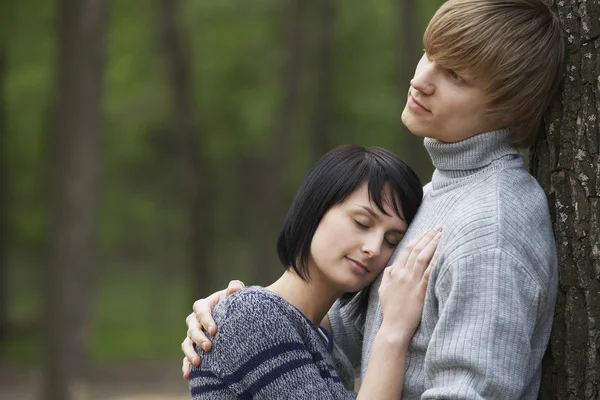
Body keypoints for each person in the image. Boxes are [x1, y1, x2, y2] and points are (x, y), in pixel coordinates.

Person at [183, 0, 565, 398]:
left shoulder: (492, 229)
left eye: (454, 75)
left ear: (507, 107)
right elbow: (341, 335)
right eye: (428, 55)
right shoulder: (432, 199)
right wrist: (234, 319)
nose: (421, 80)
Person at [188, 144, 440, 399]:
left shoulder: (326, 348)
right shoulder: (251, 314)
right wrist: (394, 331)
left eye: (391, 241)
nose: (374, 249)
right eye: (361, 223)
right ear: (315, 207)